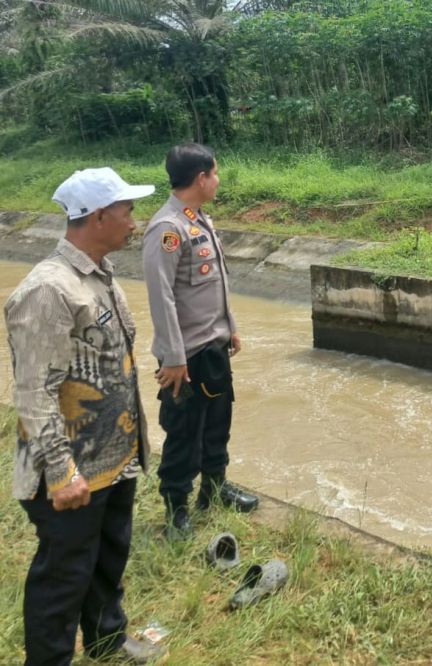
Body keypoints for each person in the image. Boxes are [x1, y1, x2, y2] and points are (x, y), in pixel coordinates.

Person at [4, 168, 164, 664]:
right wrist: (61, 469)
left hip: (112, 457)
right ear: (98, 217)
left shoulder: (98, 275)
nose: (134, 222)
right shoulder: (48, 290)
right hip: (70, 469)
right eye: (127, 211)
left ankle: (107, 640)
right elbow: (34, 391)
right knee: (64, 574)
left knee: (107, 557)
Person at [143, 143, 258, 540]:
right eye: (216, 173)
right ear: (200, 178)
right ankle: (177, 508)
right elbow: (162, 297)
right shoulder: (168, 229)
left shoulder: (198, 219)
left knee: (216, 424)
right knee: (184, 434)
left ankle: (214, 489)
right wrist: (173, 357)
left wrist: (231, 327)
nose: (218, 179)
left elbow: (214, 284)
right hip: (185, 356)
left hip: (213, 347)